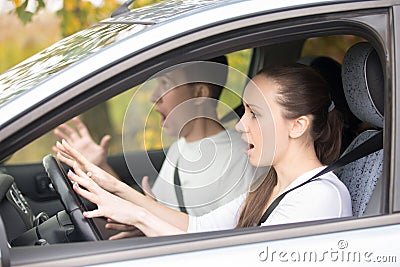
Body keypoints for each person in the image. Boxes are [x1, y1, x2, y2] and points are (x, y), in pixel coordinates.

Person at [56, 63, 352, 238]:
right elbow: (196, 227)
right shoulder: (269, 188)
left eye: (255, 114)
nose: (240, 125)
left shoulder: (319, 198)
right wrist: (111, 185)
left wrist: (138, 217)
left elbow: (232, 260)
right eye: (244, 111)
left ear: (297, 125)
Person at [53, 56, 257, 216]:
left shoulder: (239, 158)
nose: (153, 97)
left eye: (166, 84)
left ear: (199, 94)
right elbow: (151, 211)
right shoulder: (180, 148)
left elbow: (229, 237)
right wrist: (100, 167)